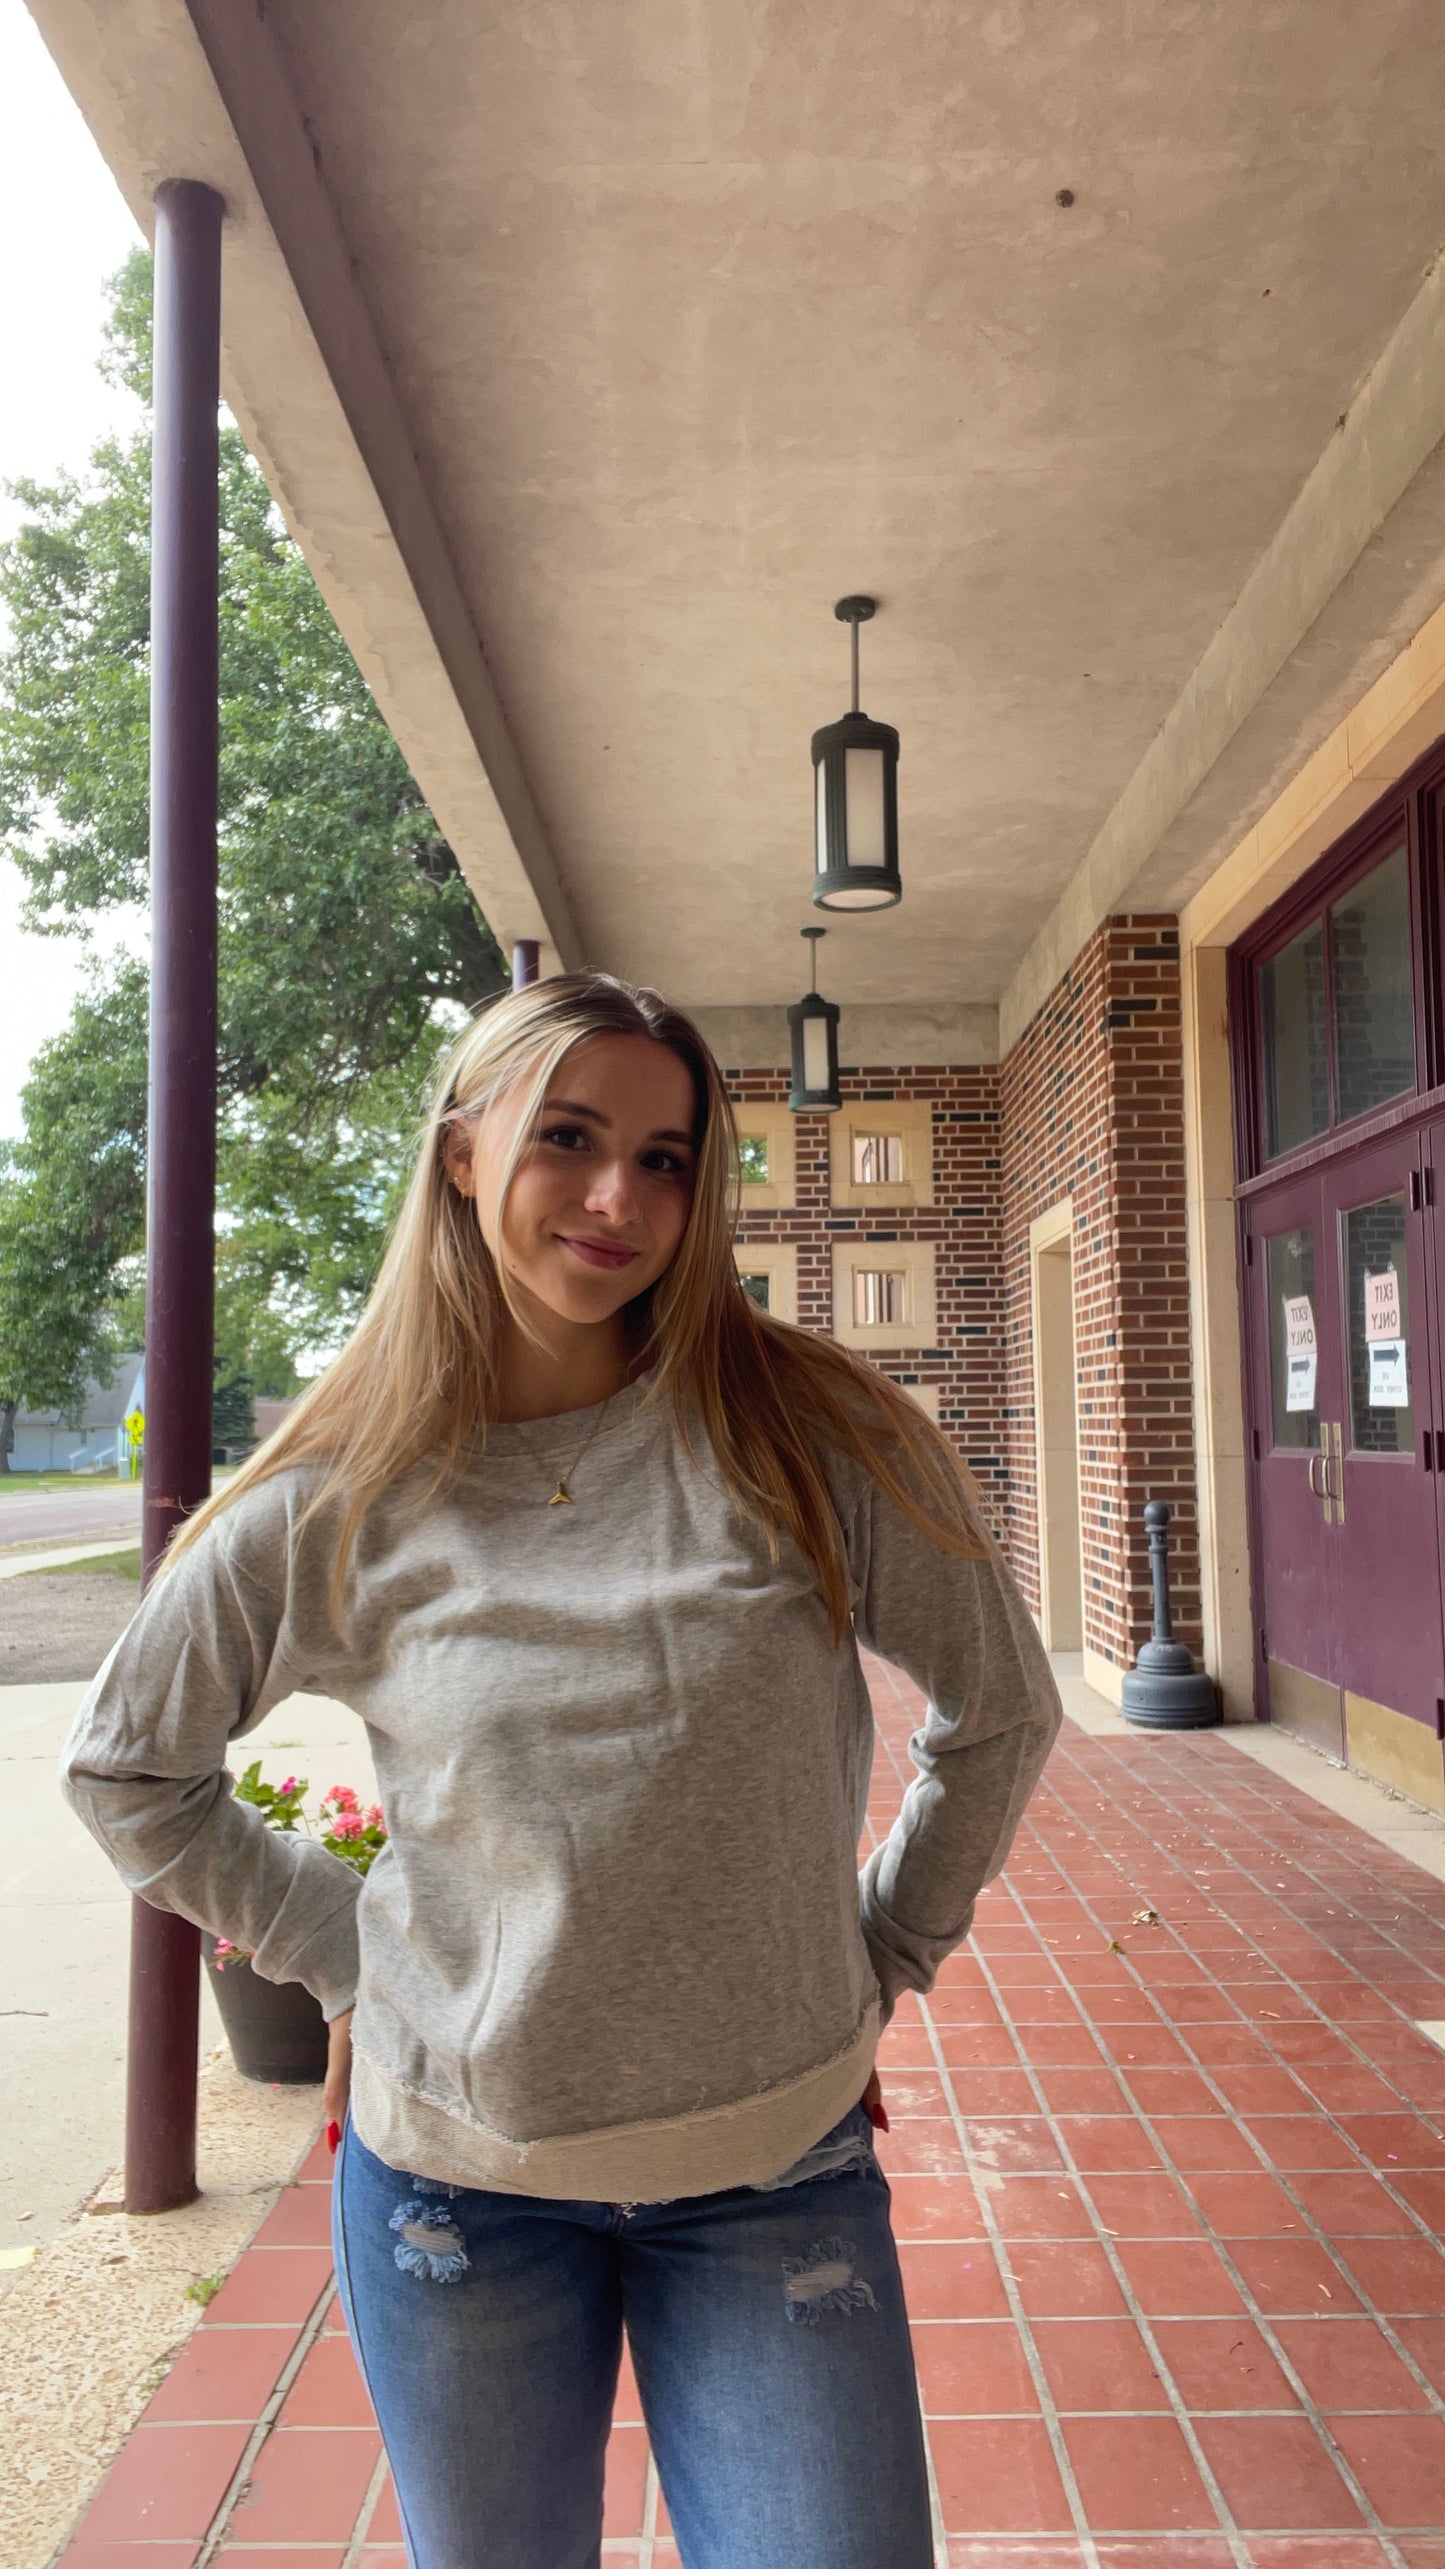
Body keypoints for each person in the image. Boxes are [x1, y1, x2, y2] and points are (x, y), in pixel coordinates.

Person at [63, 972, 1061, 2569]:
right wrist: (344, 1952)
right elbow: (127, 1769)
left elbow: (1000, 1707)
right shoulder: (341, 1496)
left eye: (668, 1156)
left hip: (772, 2182)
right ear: (463, 1154)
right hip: (456, 2200)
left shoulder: (811, 1433)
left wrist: (882, 1947)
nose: (621, 1197)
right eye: (571, 1137)